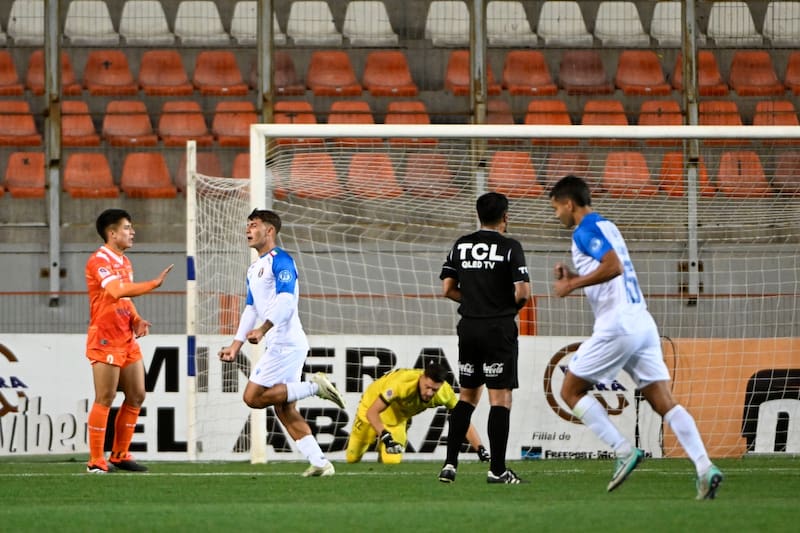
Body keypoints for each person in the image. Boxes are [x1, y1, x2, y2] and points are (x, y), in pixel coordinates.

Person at [548, 175, 723, 500]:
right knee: (663, 402)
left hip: (618, 325)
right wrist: (576, 276)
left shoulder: (584, 230)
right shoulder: (607, 226)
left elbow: (613, 267)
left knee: (570, 390)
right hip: (641, 322)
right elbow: (610, 271)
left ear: (569, 203)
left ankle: (622, 450)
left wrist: (571, 285)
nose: (557, 214)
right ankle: (704, 467)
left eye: (556, 207)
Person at [218, 208, 346, 477]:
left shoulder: (282, 260)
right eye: (248, 225)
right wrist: (236, 345)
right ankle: (321, 463)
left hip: (285, 342)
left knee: (252, 398)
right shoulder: (254, 268)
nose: (248, 230)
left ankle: (314, 387)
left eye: (254, 225)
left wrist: (263, 329)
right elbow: (251, 308)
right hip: (280, 342)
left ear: (270, 230)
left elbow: (287, 301)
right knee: (284, 409)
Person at [438, 192, 531, 484]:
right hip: (498, 329)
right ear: (505, 216)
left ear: (479, 215)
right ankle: (497, 470)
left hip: (468, 328)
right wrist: (500, 307)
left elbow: (448, 289)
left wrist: (476, 302)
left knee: (466, 397)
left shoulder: (462, 244)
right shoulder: (510, 247)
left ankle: (450, 465)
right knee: (499, 399)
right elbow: (523, 293)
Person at [85, 209, 174, 473]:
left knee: (136, 395)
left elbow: (124, 298)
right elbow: (116, 290)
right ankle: (95, 461)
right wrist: (153, 284)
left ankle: (120, 455)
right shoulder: (98, 260)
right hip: (105, 337)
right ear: (111, 233)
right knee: (106, 396)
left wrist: (136, 318)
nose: (132, 231)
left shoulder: (124, 262)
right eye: (126, 227)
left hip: (126, 336)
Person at [346, 362, 491, 464]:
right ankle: (378, 442)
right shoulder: (401, 385)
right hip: (370, 407)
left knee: (392, 461)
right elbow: (372, 412)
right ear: (421, 378)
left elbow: (462, 420)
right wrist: (385, 436)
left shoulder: (445, 393)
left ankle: (381, 456)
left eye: (434, 389)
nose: (429, 393)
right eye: (427, 387)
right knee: (352, 458)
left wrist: (480, 448)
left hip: (396, 418)